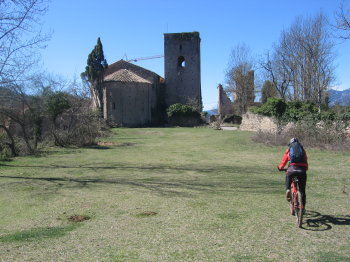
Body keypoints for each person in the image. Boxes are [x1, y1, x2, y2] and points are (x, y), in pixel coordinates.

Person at [278, 137, 308, 212]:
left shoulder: (289, 149)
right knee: (302, 191)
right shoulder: (302, 150)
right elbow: (306, 161)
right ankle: (303, 207)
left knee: (288, 174)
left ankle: (288, 189)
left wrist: (280, 167)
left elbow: (284, 161)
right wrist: (305, 169)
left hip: (292, 169)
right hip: (302, 170)